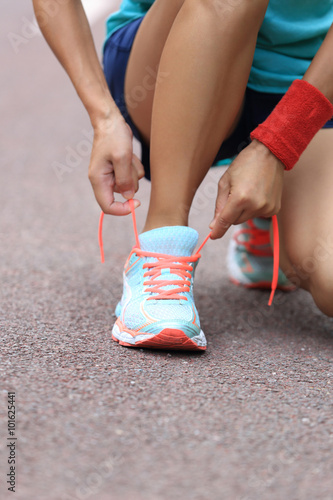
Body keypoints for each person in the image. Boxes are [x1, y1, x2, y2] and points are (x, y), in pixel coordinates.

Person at [33, 0, 333, 350]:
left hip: (304, 87)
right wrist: (104, 118)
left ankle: (264, 218)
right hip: (171, 56)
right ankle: (162, 243)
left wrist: (278, 145)